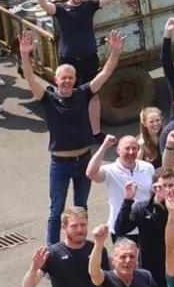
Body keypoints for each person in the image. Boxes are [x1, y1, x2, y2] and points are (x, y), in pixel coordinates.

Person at [19, 30, 124, 245]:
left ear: (75, 80)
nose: (66, 81)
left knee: (81, 207)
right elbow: (30, 79)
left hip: (83, 161)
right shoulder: (47, 99)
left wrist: (115, 52)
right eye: (63, 78)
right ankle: (51, 251)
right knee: (56, 210)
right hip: (60, 164)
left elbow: (105, 74)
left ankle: (80, 245)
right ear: (55, 79)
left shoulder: (82, 93)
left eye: (70, 78)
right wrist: (24, 55)